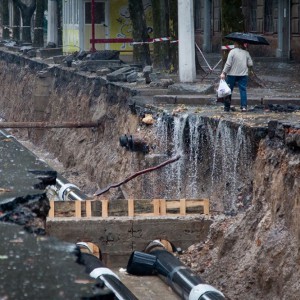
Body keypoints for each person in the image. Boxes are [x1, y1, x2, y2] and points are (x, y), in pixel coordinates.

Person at [220, 41, 253, 112]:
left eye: (234, 43)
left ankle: (227, 107)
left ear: (236, 44)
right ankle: (244, 107)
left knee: (228, 91)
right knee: (243, 90)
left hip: (232, 74)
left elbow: (228, 64)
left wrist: (223, 73)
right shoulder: (246, 53)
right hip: (243, 75)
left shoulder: (232, 52)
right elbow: (250, 64)